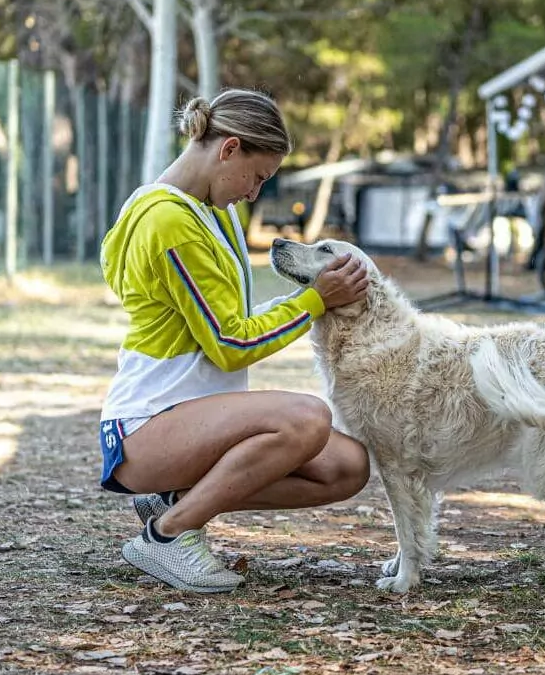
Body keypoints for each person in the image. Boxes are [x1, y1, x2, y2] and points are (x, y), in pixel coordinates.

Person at [98, 88, 372, 593]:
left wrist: (314, 297)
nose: (254, 193)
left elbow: (232, 321)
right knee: (306, 417)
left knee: (347, 468)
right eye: (258, 176)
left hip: (194, 418)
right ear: (229, 150)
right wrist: (316, 300)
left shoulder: (212, 211)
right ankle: (167, 536)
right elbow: (231, 343)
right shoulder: (168, 220)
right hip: (146, 426)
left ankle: (177, 500)